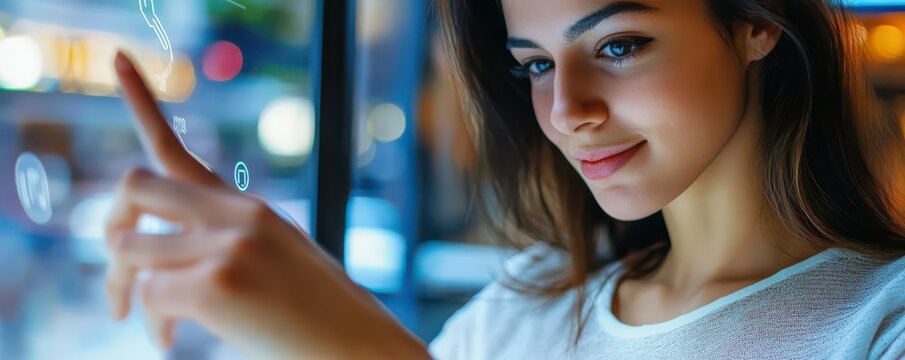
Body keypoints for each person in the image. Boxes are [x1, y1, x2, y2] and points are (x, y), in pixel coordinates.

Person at [105, 0, 905, 358]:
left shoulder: (879, 325)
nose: (566, 110)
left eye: (620, 44)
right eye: (534, 65)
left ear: (755, 23)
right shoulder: (531, 301)